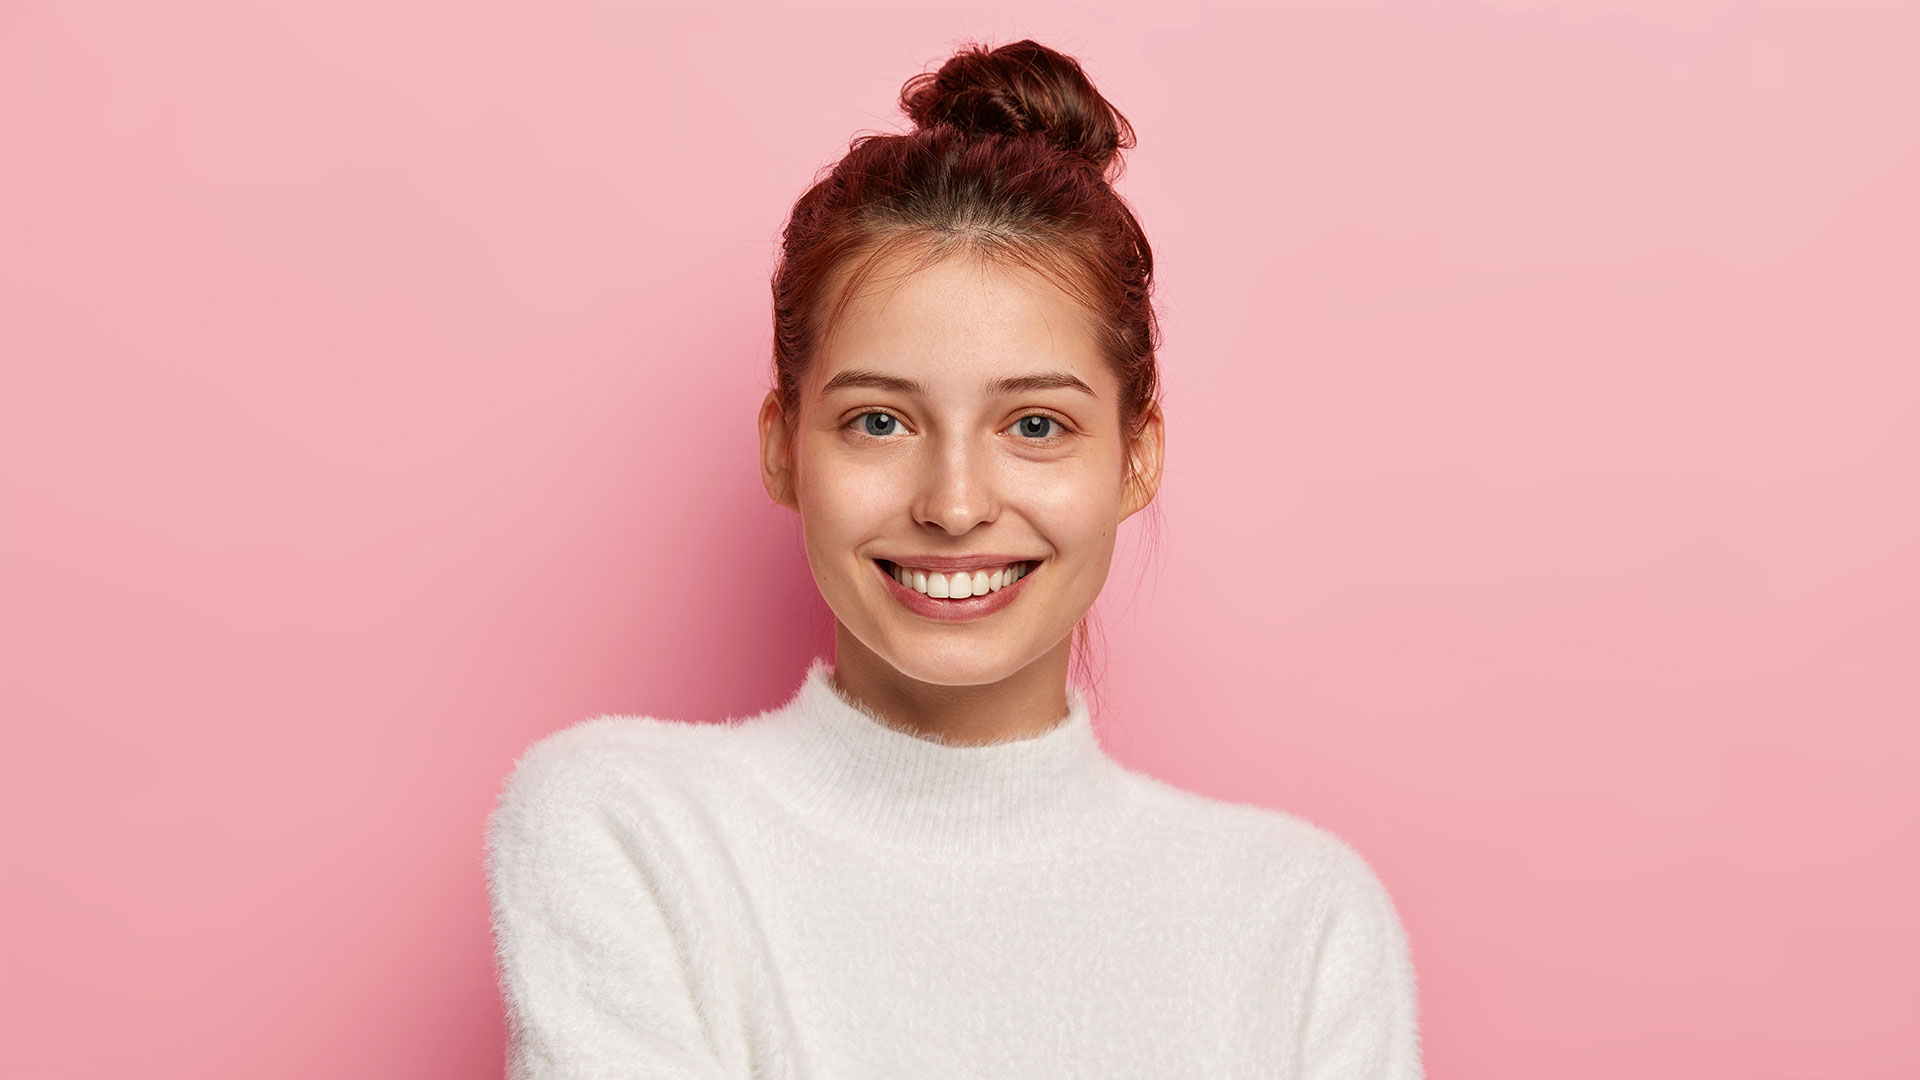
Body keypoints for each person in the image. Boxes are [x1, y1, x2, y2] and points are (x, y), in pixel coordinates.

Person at [484, 38, 1422, 1080]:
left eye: (1035, 425)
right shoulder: (630, 835)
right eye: (880, 421)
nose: (955, 505)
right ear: (782, 447)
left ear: (1137, 456)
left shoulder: (1301, 925)